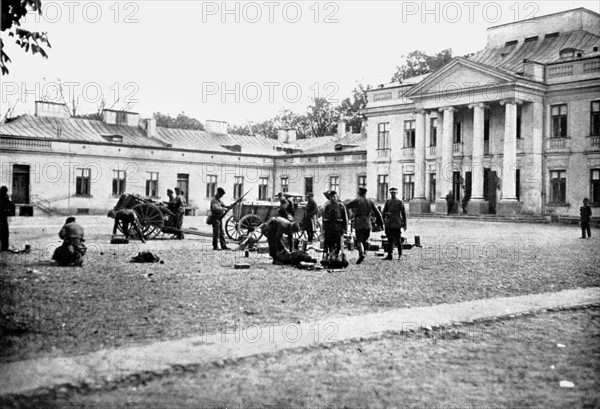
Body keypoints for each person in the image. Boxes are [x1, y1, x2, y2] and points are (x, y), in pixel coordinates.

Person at [346, 187, 383, 264]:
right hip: (367, 222)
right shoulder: (370, 201)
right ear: (365, 193)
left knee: (359, 240)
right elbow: (377, 212)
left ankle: (361, 253)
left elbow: (346, 206)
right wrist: (381, 222)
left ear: (359, 193)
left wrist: (349, 215)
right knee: (364, 238)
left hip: (358, 222)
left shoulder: (357, 201)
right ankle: (364, 251)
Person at [321, 190, 348, 262]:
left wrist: (345, 229)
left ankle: (337, 256)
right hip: (329, 228)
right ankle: (331, 256)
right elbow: (324, 218)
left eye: (334, 197)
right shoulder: (327, 206)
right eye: (331, 197)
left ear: (337, 197)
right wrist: (323, 229)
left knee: (339, 244)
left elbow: (345, 218)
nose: (332, 198)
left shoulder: (341, 206)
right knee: (330, 243)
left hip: (338, 228)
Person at [382, 187, 407, 260]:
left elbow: (403, 213)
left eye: (394, 193)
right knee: (389, 239)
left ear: (396, 193)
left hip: (397, 222)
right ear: (390, 193)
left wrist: (405, 224)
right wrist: (382, 221)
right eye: (391, 193)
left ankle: (400, 254)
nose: (393, 194)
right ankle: (389, 255)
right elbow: (384, 212)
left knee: (398, 239)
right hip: (389, 222)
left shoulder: (400, 202)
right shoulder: (388, 201)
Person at [0, 186, 15, 252]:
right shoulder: (3, 197)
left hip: (3, 217)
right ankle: (4, 247)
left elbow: (11, 205)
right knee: (3, 232)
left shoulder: (5, 197)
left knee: (5, 232)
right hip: (1, 216)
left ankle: (4, 247)